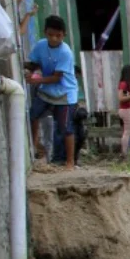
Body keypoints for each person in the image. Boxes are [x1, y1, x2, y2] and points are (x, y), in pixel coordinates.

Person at [27, 15, 78, 169]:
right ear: (45, 33)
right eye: (50, 35)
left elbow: (57, 77)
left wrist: (36, 80)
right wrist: (28, 71)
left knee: (65, 127)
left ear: (64, 35)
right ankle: (34, 148)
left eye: (58, 36)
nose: (54, 39)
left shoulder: (65, 53)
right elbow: (33, 63)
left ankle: (70, 161)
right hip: (46, 90)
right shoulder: (41, 46)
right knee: (33, 114)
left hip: (65, 93)